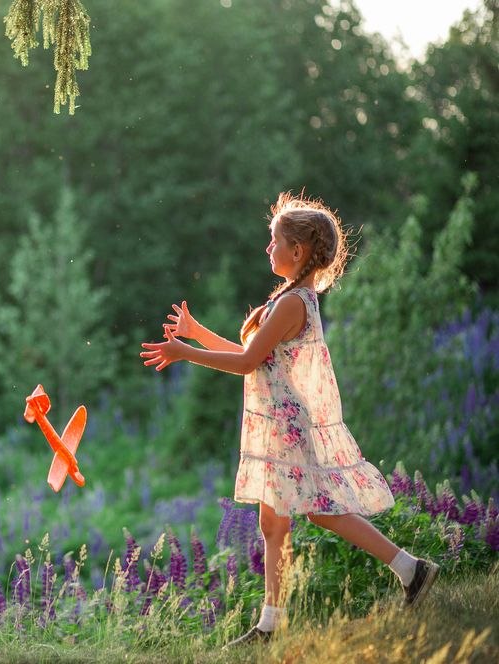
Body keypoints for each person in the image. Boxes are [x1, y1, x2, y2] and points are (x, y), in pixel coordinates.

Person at [139, 193, 439, 647]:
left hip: (286, 426)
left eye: (273, 241)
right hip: (277, 425)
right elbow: (253, 357)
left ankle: (410, 568)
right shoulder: (290, 299)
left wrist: (184, 353)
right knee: (274, 524)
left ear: (296, 251)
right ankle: (270, 625)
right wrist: (196, 332)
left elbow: (245, 364)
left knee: (319, 508)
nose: (268, 249)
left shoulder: (293, 303)